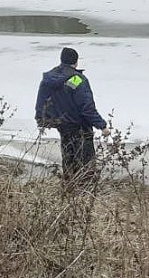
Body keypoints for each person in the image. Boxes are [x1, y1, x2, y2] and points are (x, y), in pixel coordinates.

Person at [34, 47, 108, 187]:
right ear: (76, 62)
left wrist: (41, 118)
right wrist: (102, 125)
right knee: (85, 162)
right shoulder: (76, 80)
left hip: (62, 125)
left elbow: (41, 101)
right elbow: (86, 107)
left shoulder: (49, 78)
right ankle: (85, 193)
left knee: (68, 157)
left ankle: (69, 189)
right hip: (80, 127)